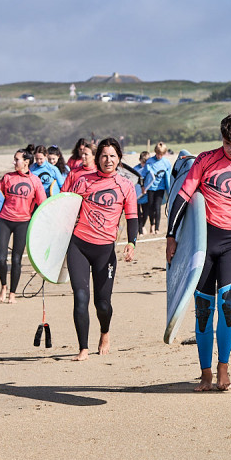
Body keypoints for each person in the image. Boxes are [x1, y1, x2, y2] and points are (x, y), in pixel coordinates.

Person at [166, 113, 231, 391]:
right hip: (202, 243)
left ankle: (223, 367)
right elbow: (183, 197)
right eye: (227, 142)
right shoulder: (205, 160)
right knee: (203, 310)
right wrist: (171, 236)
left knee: (228, 305)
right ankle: (206, 373)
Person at [67, 138, 137, 361]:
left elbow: (132, 216)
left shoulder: (125, 185)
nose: (108, 160)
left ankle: (104, 333)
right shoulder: (83, 180)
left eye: (113, 156)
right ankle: (83, 347)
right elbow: (67, 211)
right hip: (78, 244)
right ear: (98, 159)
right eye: (104, 156)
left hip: (105, 250)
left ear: (119, 159)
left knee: (102, 303)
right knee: (80, 296)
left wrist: (131, 242)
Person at [0, 146, 47, 303]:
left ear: (26, 162)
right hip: (4, 220)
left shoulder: (35, 181)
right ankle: (4, 286)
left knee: (16, 260)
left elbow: (43, 204)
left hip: (23, 223)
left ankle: (13, 293)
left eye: (17, 159)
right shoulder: (7, 178)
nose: (14, 162)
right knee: (1, 259)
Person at [143, 142, 171, 235]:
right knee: (150, 206)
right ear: (155, 152)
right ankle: (152, 224)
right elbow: (144, 174)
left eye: (161, 154)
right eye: (158, 154)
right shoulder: (150, 161)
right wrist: (143, 186)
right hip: (150, 187)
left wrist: (169, 189)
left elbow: (169, 177)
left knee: (157, 207)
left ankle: (157, 228)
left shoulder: (166, 163)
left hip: (160, 188)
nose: (159, 156)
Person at [134, 152, 150, 235]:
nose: (144, 164)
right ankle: (140, 230)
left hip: (146, 195)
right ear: (139, 160)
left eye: (146, 162)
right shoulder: (135, 169)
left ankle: (142, 226)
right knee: (137, 214)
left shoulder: (149, 169)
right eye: (143, 162)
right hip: (136, 195)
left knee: (145, 213)